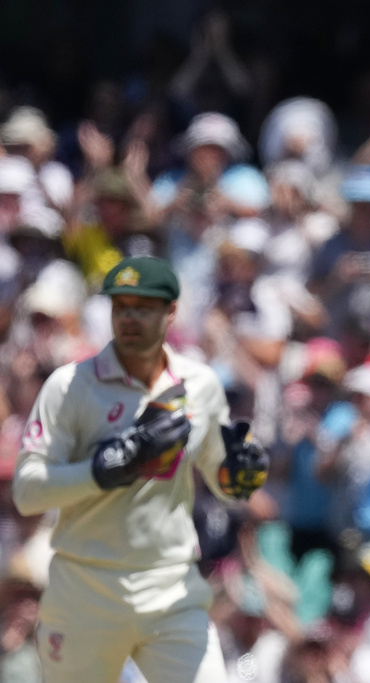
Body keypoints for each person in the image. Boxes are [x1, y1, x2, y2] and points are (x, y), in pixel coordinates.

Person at [11, 255, 269, 683]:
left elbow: (224, 484)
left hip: (168, 583)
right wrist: (108, 466)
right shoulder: (69, 386)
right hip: (86, 584)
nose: (129, 318)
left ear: (171, 312)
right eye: (120, 306)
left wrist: (239, 479)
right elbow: (28, 492)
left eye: (143, 307)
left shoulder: (199, 384)